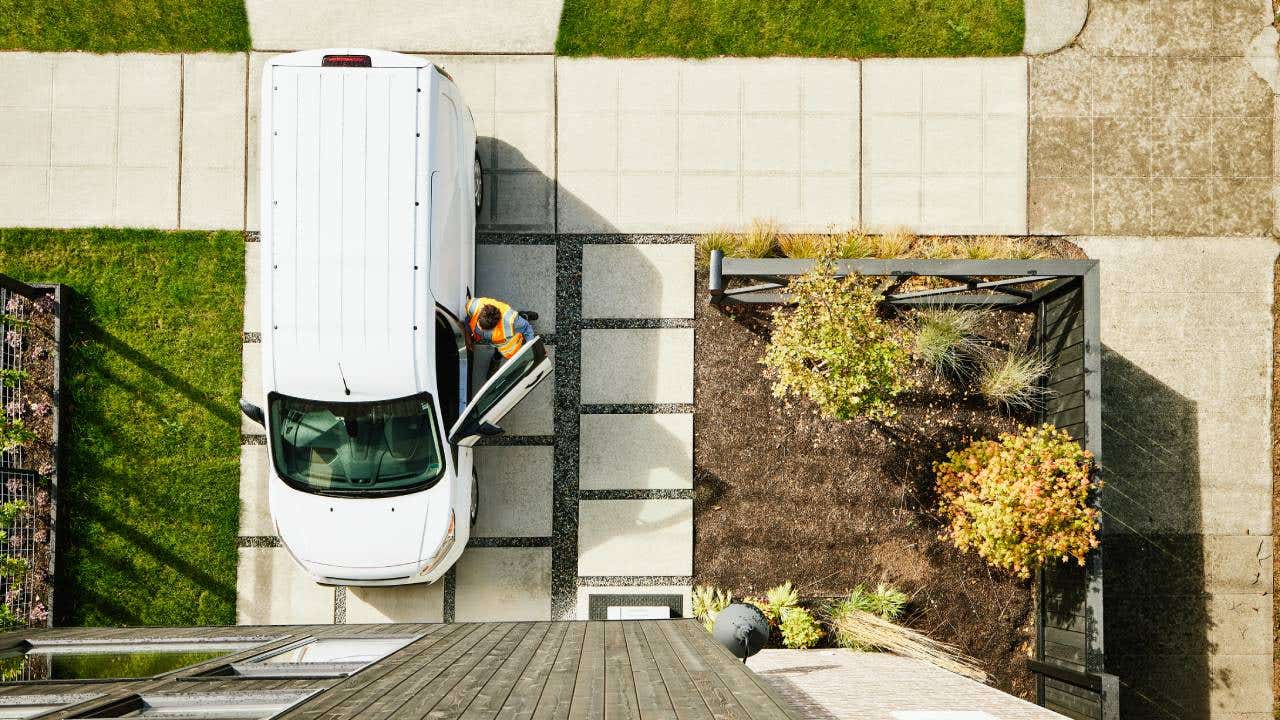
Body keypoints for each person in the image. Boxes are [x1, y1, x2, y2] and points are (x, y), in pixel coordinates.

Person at [465, 297, 539, 375]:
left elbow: (527, 328)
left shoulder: (511, 322)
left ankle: (524, 316)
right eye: (479, 323)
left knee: (500, 351)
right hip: (505, 330)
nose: (479, 328)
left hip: (503, 341)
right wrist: (467, 332)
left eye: (484, 328)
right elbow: (468, 317)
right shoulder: (473, 306)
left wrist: (533, 349)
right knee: (517, 321)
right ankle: (523, 316)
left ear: (496, 324)